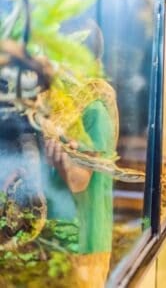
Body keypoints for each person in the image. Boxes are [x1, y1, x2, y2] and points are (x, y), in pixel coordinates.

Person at [44, 90, 116, 287]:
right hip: (48, 235)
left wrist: (57, 160)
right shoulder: (45, 109)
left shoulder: (94, 111)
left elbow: (78, 181)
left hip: (84, 242)